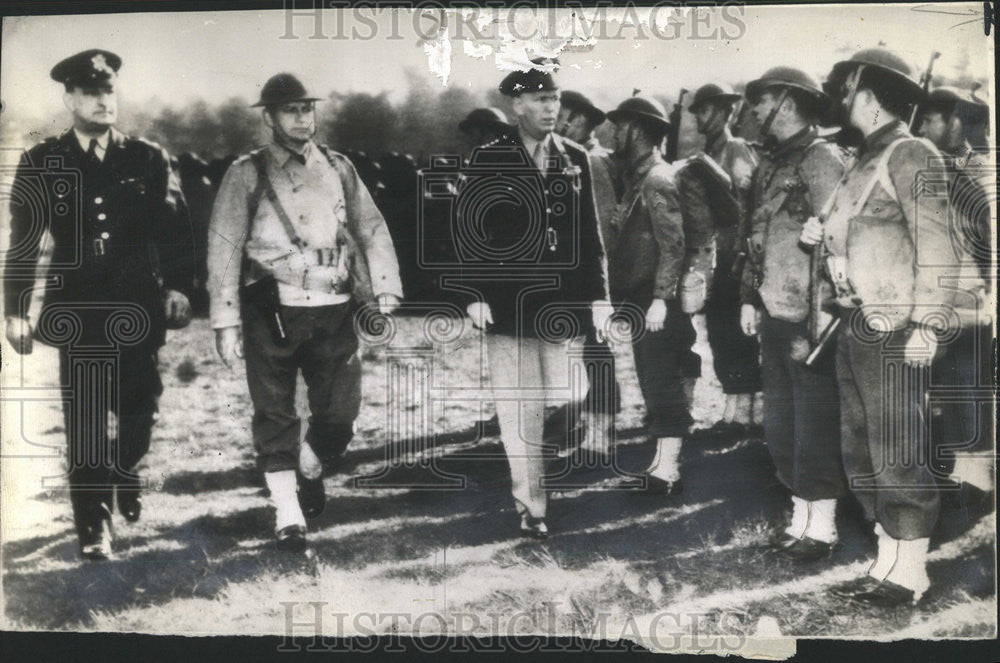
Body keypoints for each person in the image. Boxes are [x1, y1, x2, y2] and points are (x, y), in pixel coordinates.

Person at [3, 49, 194, 560]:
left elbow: (175, 231)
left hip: (138, 306)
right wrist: (15, 310)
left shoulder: (148, 157)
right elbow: (23, 242)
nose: (102, 101)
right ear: (69, 98)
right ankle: (94, 528)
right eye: (90, 92)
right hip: (78, 309)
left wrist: (179, 287)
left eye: (108, 91)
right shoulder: (44, 161)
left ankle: (124, 472)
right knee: (85, 421)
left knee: (140, 414)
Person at [207, 73, 403, 552]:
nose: (301, 118)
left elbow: (370, 227)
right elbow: (225, 247)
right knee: (274, 411)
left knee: (341, 413)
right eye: (290, 110)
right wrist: (226, 319)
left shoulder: (338, 166)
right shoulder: (247, 172)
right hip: (273, 308)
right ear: (269, 118)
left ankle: (310, 463)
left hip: (334, 305)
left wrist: (384, 288)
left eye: (306, 109)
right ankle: (287, 512)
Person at [809, 48, 959, 606]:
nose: (843, 99)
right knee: (861, 446)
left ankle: (911, 569)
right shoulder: (862, 158)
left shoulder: (911, 153)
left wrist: (927, 324)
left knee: (898, 447)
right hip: (855, 323)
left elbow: (938, 249)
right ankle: (888, 558)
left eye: (849, 89)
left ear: (868, 97)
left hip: (896, 328)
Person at [458, 58, 612, 538]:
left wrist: (600, 297)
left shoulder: (575, 158)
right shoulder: (489, 159)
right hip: (507, 308)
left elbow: (590, 235)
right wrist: (474, 295)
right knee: (518, 408)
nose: (552, 108)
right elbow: (467, 234)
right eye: (541, 100)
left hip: (561, 309)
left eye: (556, 99)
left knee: (570, 394)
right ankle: (532, 506)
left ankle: (538, 480)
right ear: (517, 104)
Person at [740, 67, 848, 561]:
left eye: (762, 102)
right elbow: (755, 238)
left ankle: (821, 529)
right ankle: (800, 521)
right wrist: (748, 296)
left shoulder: (820, 157)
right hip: (775, 312)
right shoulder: (771, 162)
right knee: (782, 424)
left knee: (813, 423)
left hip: (811, 317)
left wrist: (824, 316)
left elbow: (837, 236)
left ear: (786, 101)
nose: (756, 111)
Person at [604, 94, 695, 496]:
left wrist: (661, 298)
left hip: (656, 302)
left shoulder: (657, 178)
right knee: (653, 378)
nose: (615, 133)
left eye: (621, 126)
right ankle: (662, 464)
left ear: (639, 131)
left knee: (660, 381)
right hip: (643, 299)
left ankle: (667, 470)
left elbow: (673, 244)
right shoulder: (638, 178)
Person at [918, 86, 994, 505]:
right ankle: (962, 468)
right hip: (949, 296)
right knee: (954, 385)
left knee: (969, 383)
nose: (923, 129)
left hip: (971, 296)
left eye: (930, 120)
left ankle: (977, 476)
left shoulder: (974, 171)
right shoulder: (939, 167)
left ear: (956, 122)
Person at [688, 83, 763, 433]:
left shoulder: (735, 149)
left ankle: (745, 410)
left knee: (736, 333)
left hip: (735, 254)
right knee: (720, 332)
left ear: (724, 112)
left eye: (705, 110)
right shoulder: (710, 151)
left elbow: (747, 199)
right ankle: (734, 408)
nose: (700, 118)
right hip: (715, 256)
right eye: (699, 111)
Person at [556, 90, 622, 459]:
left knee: (597, 354)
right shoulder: (573, 159)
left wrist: (597, 286)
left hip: (591, 280)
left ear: (583, 121)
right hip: (579, 277)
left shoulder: (591, 163)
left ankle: (599, 438)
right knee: (586, 356)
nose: (561, 123)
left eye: (568, 116)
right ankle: (588, 430)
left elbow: (602, 230)